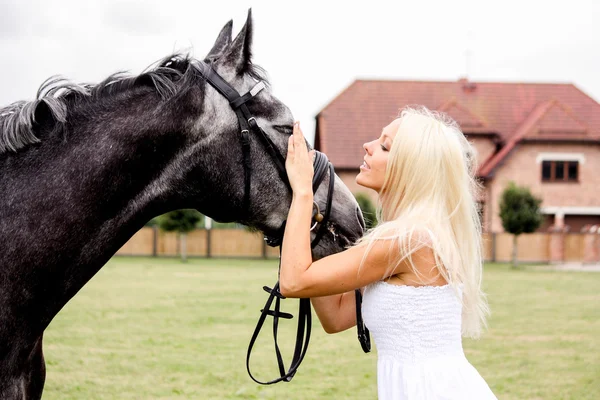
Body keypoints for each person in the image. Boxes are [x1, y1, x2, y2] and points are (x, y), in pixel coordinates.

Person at [280, 106, 497, 399]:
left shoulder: (407, 240)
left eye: (384, 146)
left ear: (411, 167)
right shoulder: (417, 235)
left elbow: (294, 282)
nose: (367, 147)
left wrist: (304, 193)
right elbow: (336, 317)